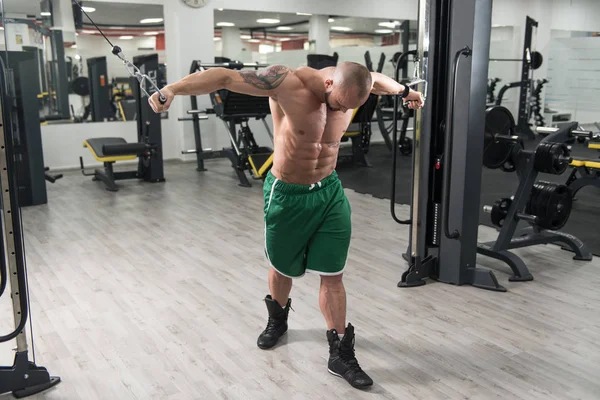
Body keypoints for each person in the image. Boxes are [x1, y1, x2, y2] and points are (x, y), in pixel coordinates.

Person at [148, 62, 424, 389]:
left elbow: (378, 81)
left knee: (333, 274)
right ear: (329, 81)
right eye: (339, 102)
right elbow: (223, 76)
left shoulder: (356, 86)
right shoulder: (288, 83)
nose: (343, 109)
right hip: (287, 194)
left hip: (329, 192)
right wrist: (171, 90)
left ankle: (339, 352)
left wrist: (407, 92)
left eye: (351, 107)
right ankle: (277, 320)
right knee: (282, 269)